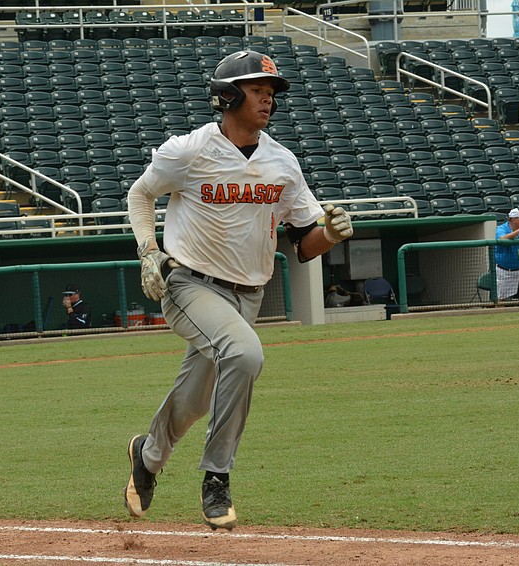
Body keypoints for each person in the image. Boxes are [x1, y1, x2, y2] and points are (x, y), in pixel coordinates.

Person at [122, 50, 353, 530]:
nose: (267, 99)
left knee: (195, 398)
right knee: (245, 355)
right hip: (188, 283)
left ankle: (147, 455)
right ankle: (216, 477)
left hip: (248, 294)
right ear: (227, 95)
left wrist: (329, 233)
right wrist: (148, 250)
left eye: (271, 93)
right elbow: (140, 194)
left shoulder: (282, 162)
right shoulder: (187, 151)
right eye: (257, 90)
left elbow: (304, 244)